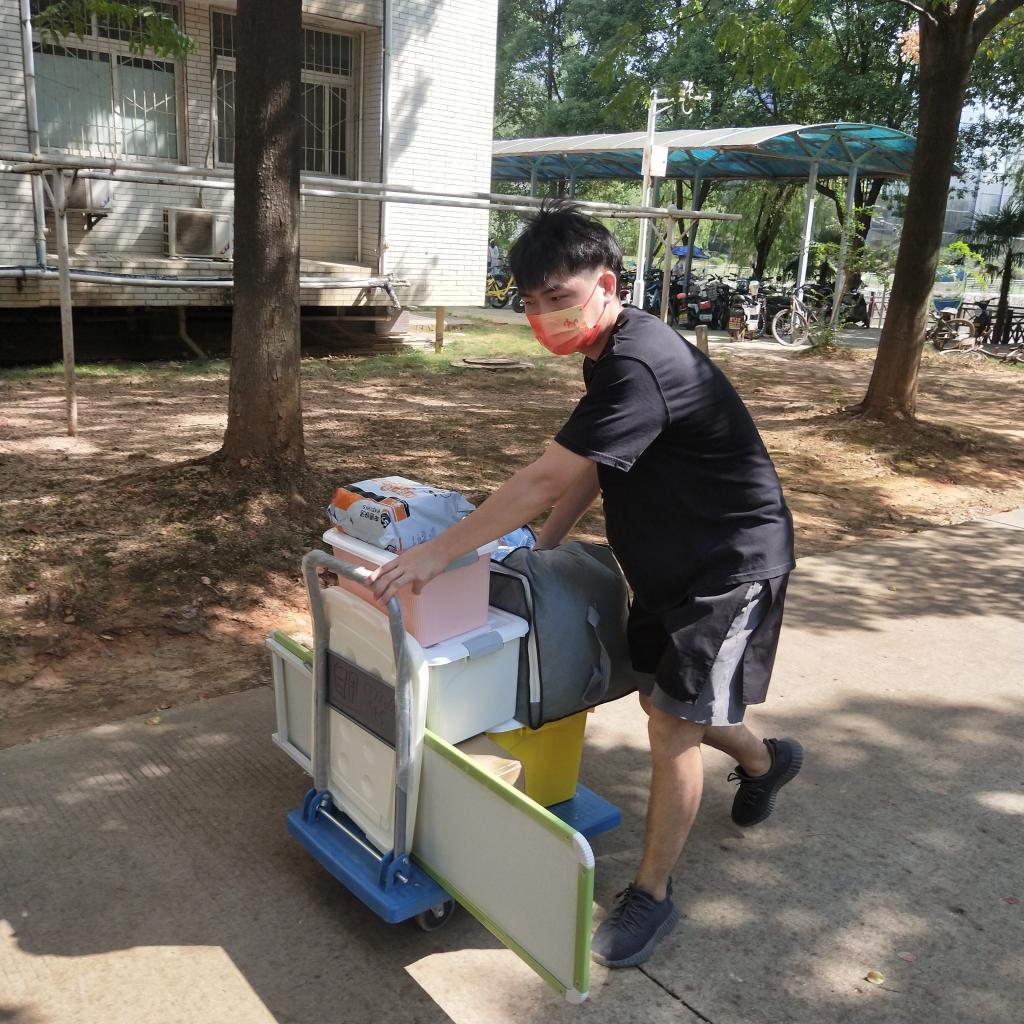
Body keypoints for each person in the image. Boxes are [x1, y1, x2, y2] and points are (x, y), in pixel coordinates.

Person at [370, 201, 803, 970]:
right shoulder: (606, 354)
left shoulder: (638, 363)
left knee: (672, 724)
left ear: (606, 284)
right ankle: (768, 762)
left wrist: (439, 553)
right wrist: (545, 544)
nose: (543, 315)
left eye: (558, 297)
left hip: (730, 567)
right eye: (530, 301)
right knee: (665, 697)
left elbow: (544, 475)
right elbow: (595, 463)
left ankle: (653, 895)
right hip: (670, 562)